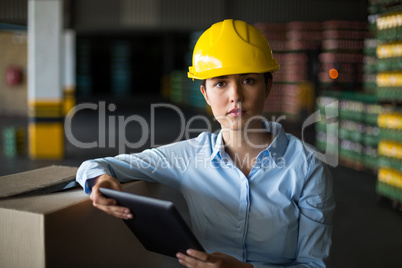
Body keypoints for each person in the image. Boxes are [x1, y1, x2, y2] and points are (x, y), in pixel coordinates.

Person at [76, 19, 335, 268]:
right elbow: (96, 165)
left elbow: (312, 264)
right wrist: (101, 182)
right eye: (220, 83)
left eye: (248, 80)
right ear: (205, 94)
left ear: (268, 86)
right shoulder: (189, 157)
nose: (235, 96)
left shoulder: (307, 166)